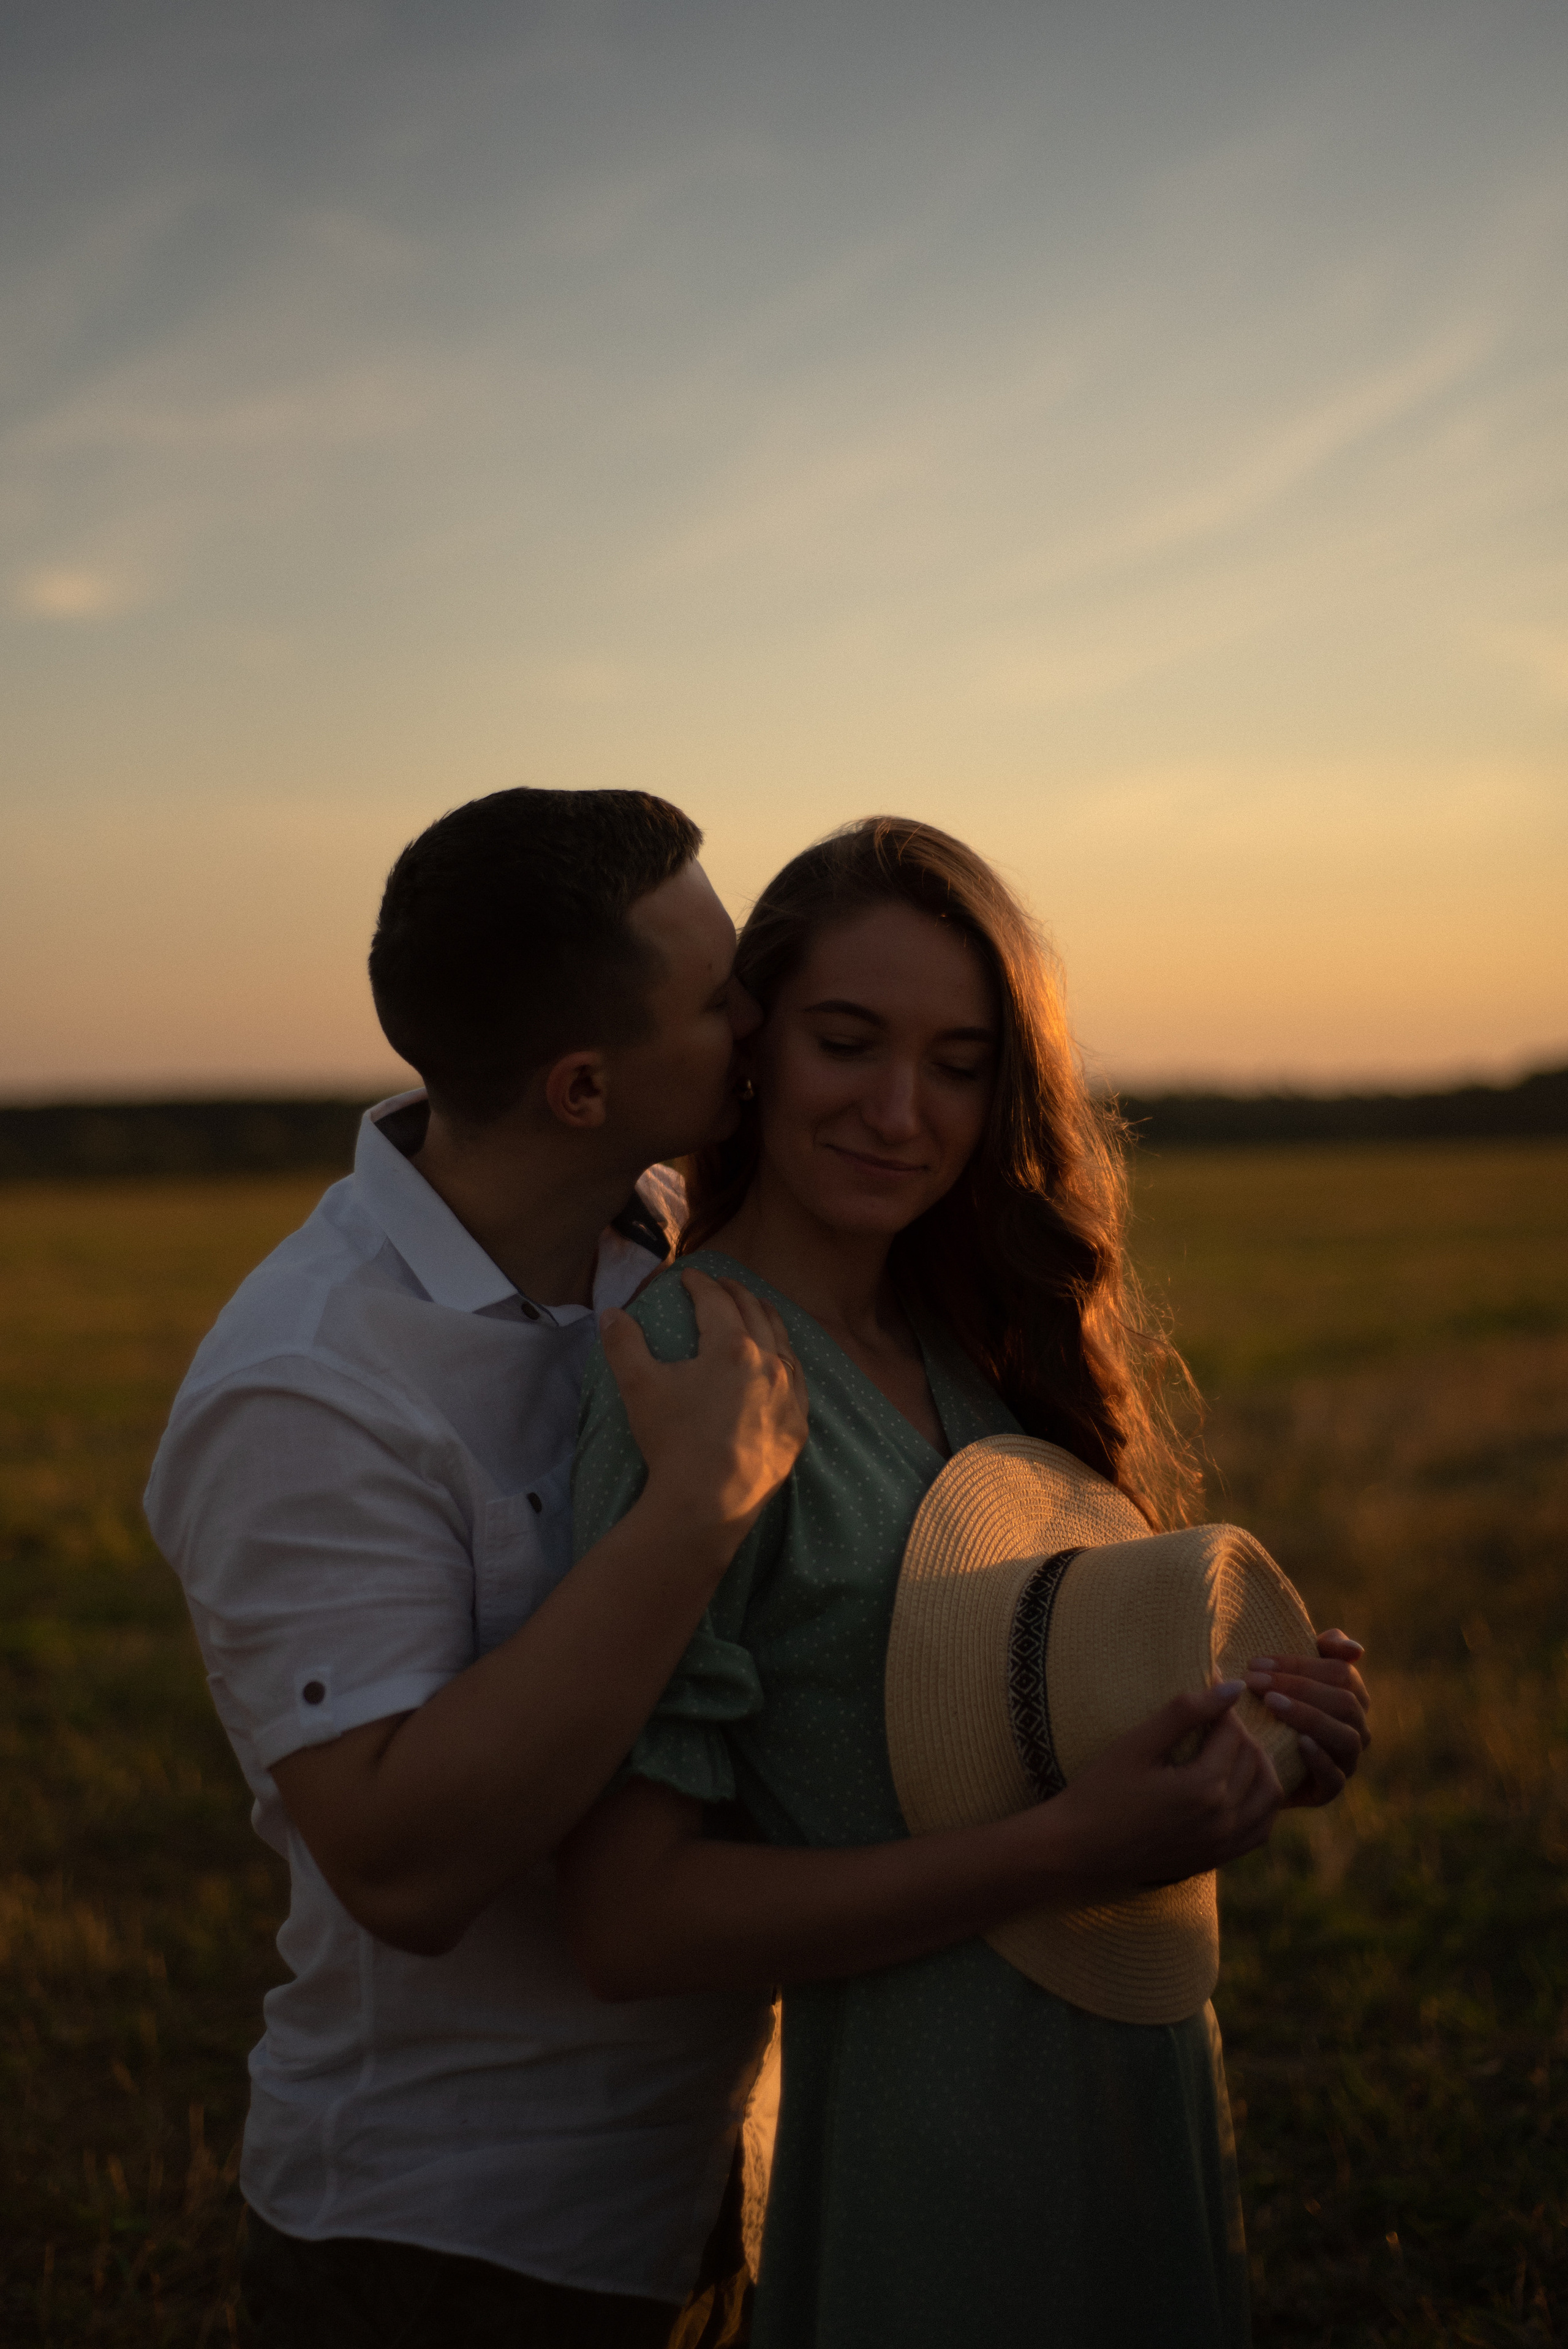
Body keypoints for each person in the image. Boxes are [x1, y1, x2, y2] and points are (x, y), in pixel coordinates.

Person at [563, 816, 1371, 2349]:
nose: (895, 1111)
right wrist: (1062, 1849)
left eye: (956, 1062)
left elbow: (1048, 1736)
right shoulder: (691, 1367)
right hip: (926, 2154)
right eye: (846, 1043)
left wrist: (1257, 1740)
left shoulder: (980, 1350)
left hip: (1138, 2090)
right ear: (752, 1047)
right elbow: (628, 1919)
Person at [145, 788, 810, 2349]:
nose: (755, 1018)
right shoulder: (306, 1383)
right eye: (716, 1001)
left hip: (717, 2180)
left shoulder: (656, 1242)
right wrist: (696, 1506)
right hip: (448, 2245)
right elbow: (399, 1864)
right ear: (583, 1086)